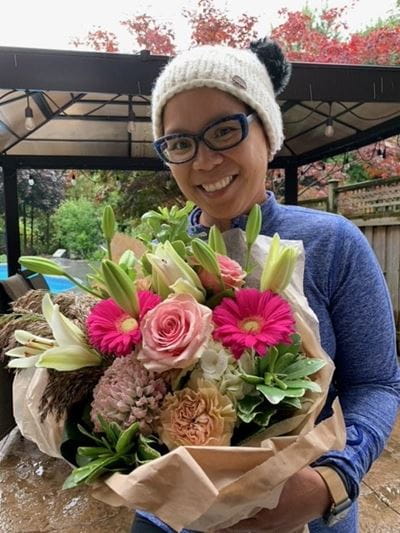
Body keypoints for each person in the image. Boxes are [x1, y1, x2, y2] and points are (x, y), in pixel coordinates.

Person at [131, 38, 400, 533]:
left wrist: (331, 482)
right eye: (180, 142)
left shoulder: (332, 244)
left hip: (303, 510)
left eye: (224, 130)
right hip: (171, 518)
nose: (204, 161)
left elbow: (376, 383)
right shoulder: (154, 259)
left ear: (268, 134)